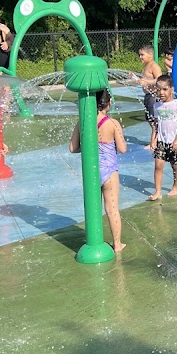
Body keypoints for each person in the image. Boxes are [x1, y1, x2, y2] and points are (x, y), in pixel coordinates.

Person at [69, 89, 127, 251]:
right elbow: (122, 149)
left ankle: (94, 241)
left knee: (93, 207)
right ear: (108, 104)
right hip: (109, 171)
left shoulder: (82, 123)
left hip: (91, 172)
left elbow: (73, 148)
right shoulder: (113, 124)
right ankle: (117, 244)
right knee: (112, 208)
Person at [149, 74, 177, 200]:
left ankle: (176, 186)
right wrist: (153, 139)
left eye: (165, 89)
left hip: (174, 141)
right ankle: (158, 191)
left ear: (172, 89)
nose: (161, 93)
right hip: (161, 141)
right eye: (158, 89)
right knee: (158, 165)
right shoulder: (157, 106)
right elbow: (155, 124)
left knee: (175, 165)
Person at [133, 44, 162, 148]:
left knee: (153, 120)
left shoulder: (154, 66)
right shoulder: (146, 66)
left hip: (153, 96)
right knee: (149, 118)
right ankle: (156, 140)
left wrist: (147, 82)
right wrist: (136, 79)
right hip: (148, 96)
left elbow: (160, 80)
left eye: (142, 55)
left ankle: (153, 143)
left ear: (150, 54)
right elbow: (145, 80)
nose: (140, 57)